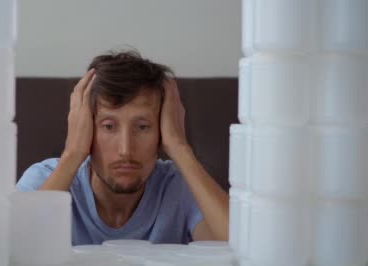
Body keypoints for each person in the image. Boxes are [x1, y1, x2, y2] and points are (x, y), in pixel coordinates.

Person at [17, 49, 228, 245]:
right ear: (86, 128)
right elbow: (12, 249)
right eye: (108, 126)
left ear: (162, 131)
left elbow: (245, 252)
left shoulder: (180, 187)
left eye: (142, 127)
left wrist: (180, 147)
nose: (126, 150)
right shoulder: (44, 179)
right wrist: (73, 152)